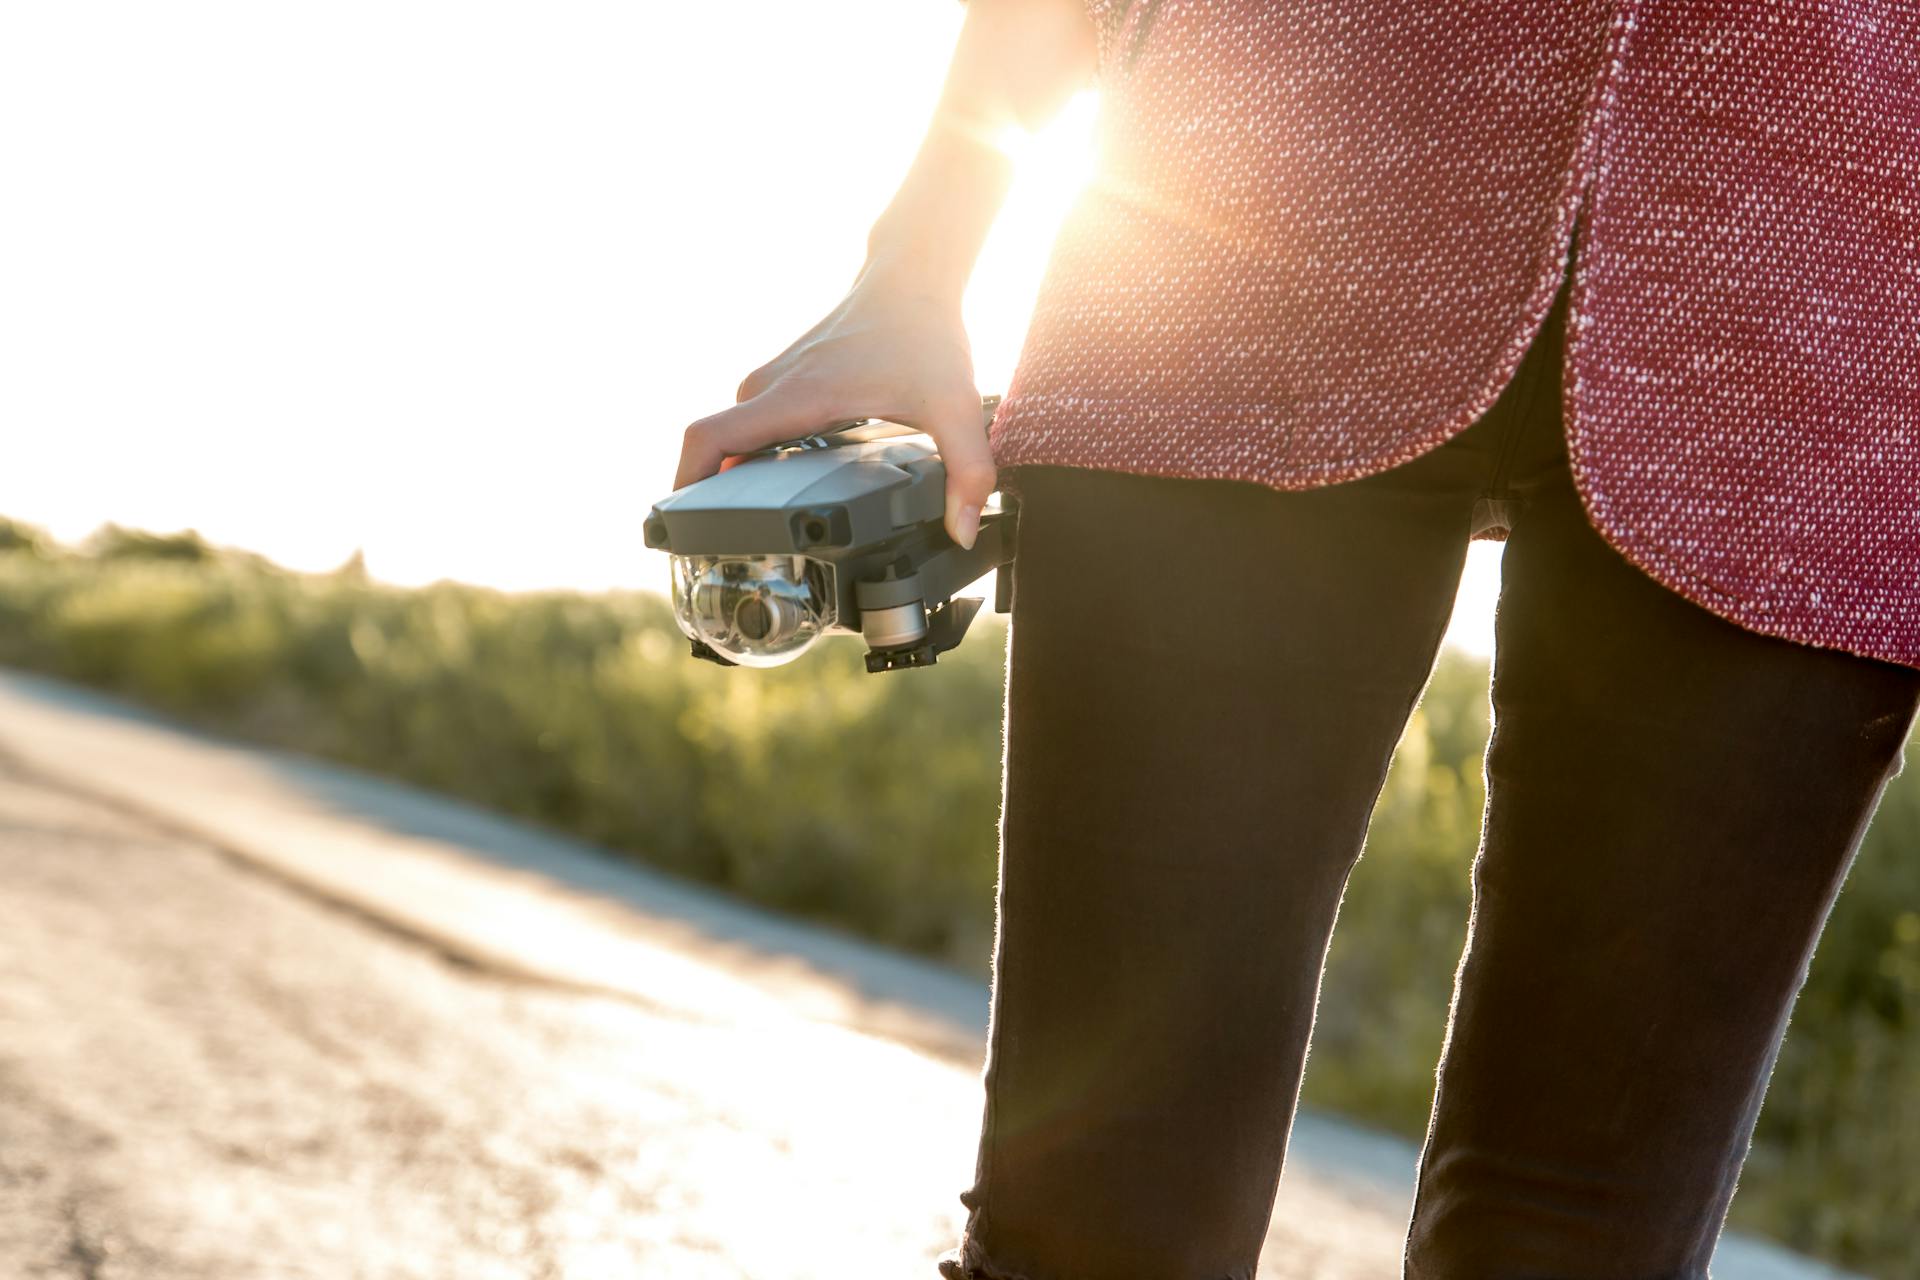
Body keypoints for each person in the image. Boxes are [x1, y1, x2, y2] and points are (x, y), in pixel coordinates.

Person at [676, 2, 1920, 1275]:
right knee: (1097, 1217)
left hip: (1843, 362)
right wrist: (917, 260)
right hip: (1241, 241)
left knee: (1582, 1247)